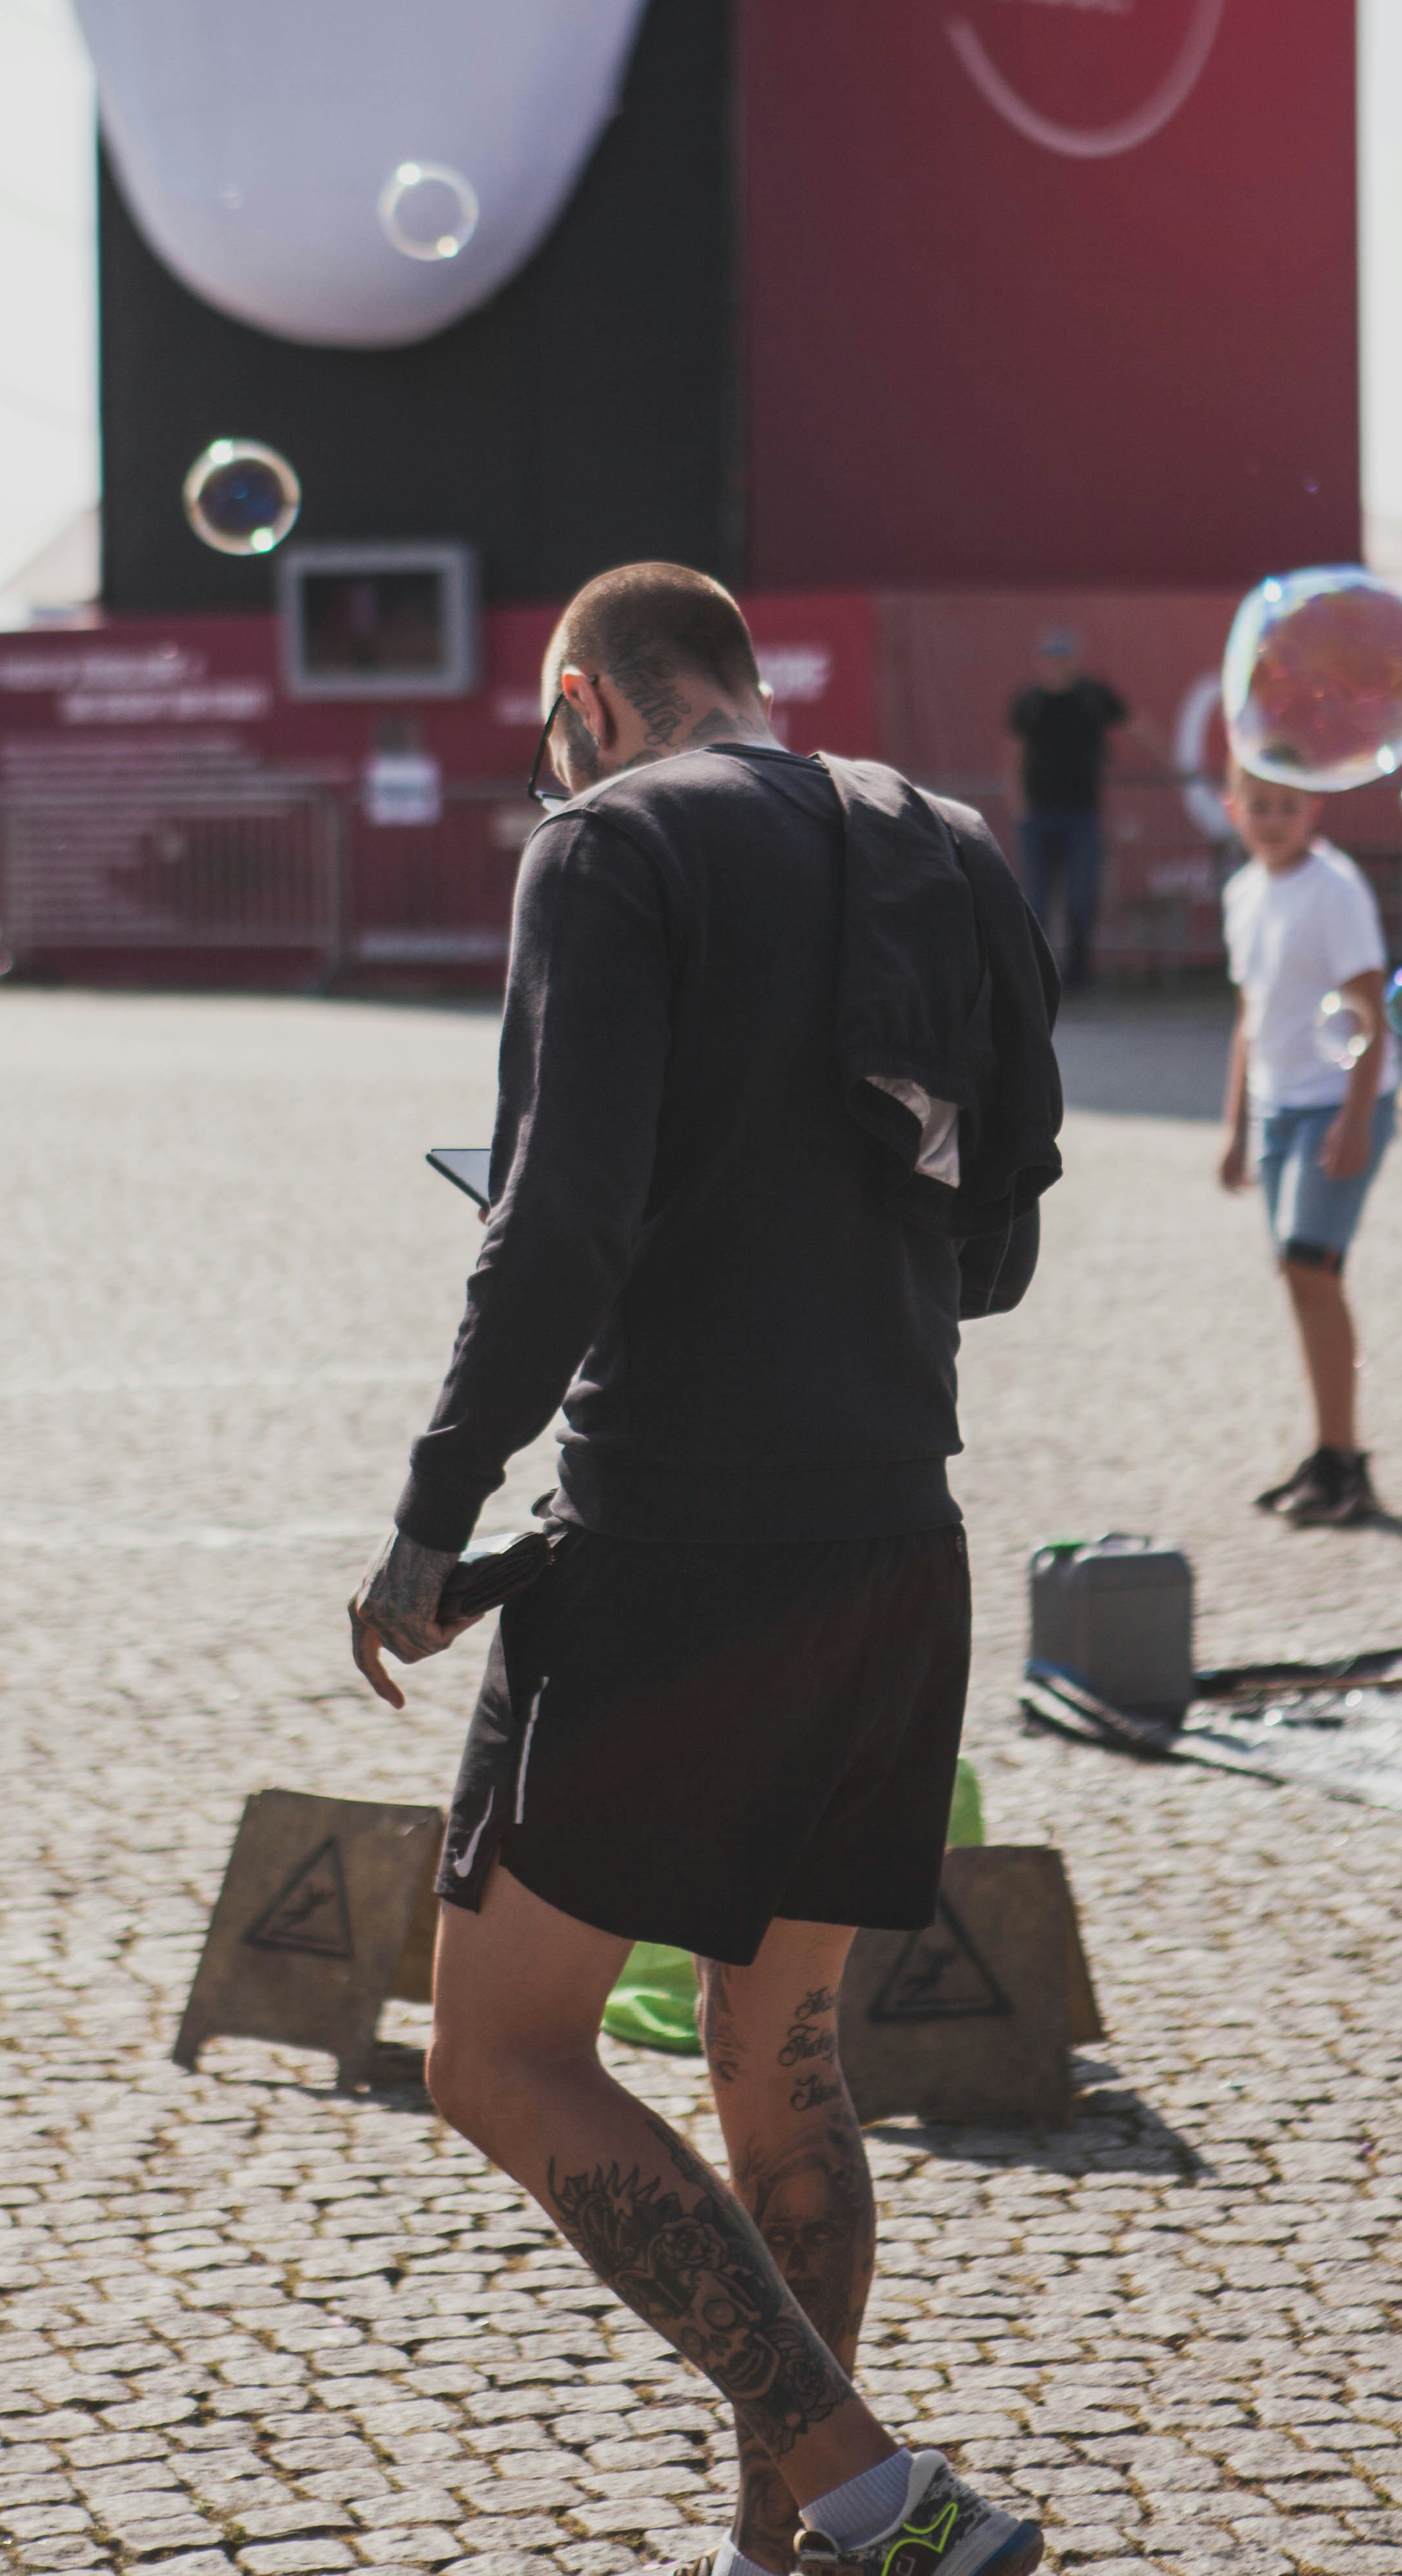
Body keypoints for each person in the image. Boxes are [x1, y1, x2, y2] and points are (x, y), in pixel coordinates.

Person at [349, 563, 1062, 2576]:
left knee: (499, 2051)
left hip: (674, 1547)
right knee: (783, 2055)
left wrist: (433, 1508)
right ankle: (794, 2550)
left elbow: (560, 1215)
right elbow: (994, 1249)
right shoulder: (955, 847)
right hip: (894, 1544)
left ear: (587, 697)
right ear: (753, 678)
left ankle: (862, 2484)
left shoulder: (607, 841)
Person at [1217, 766, 1395, 1526]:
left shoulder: (1336, 888)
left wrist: (1356, 1118)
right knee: (1298, 1277)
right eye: (1259, 806)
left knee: (1309, 1268)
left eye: (1287, 806)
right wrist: (1234, 1128)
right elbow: (1248, 1018)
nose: (1272, 819)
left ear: (1313, 809)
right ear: (1234, 809)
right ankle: (1330, 1452)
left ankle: (1345, 1464)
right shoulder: (1242, 893)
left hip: (1334, 1106)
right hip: (1277, 1110)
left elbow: (1371, 1010)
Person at [1007, 631, 1127, 991]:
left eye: (1063, 660)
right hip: (1039, 815)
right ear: (1040, 663)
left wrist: (1171, 764)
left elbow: (1134, 725)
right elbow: (1014, 755)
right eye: (1050, 660)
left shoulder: (1092, 696)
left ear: (1074, 660)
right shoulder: (1029, 703)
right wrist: (1019, 805)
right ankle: (1039, 978)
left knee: (1081, 897)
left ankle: (1078, 976)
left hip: (1082, 815)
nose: (1057, 668)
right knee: (1038, 900)